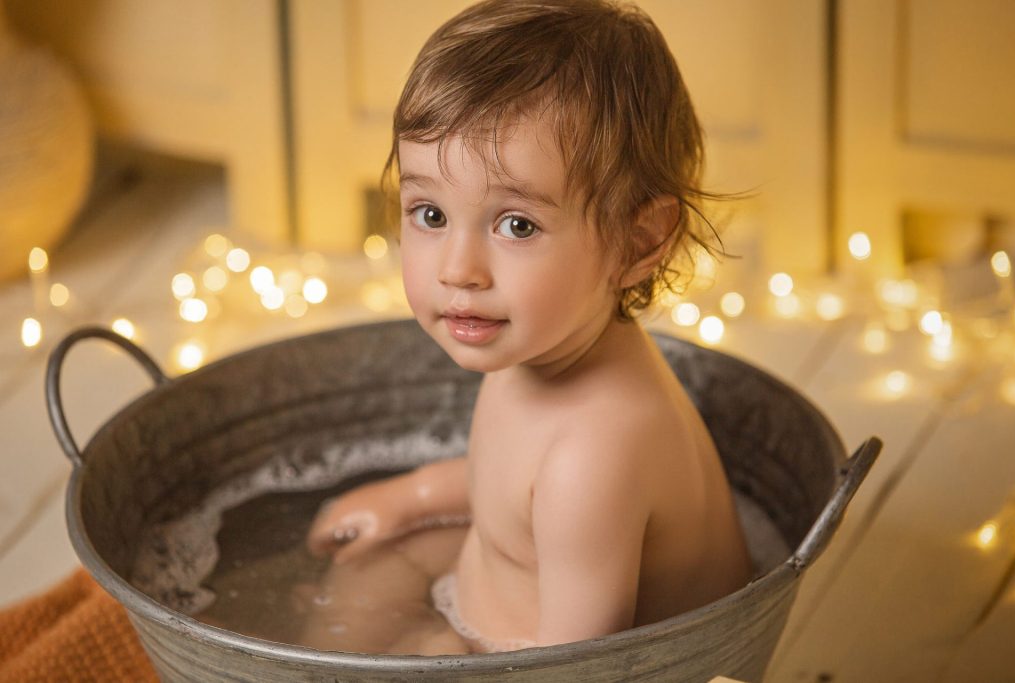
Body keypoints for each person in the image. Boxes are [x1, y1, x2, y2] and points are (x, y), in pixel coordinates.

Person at [305, 0, 752, 655]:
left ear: (638, 241)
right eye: (429, 213)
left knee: (375, 645)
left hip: (532, 657)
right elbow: (508, 486)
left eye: (517, 225)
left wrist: (441, 654)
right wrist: (413, 494)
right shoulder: (543, 341)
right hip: (489, 588)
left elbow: (576, 666)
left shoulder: (596, 456)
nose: (460, 269)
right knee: (367, 564)